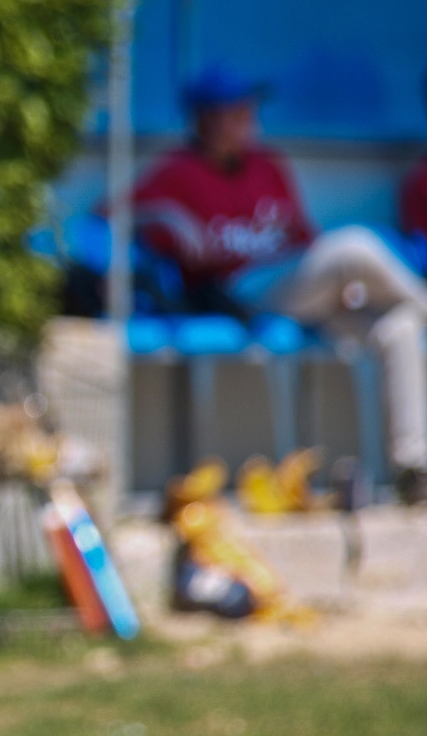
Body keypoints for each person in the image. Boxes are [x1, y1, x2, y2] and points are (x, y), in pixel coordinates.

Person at [132, 62, 427, 504]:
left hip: (299, 287)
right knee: (354, 246)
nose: (248, 120)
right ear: (205, 120)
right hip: (243, 295)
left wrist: (336, 287)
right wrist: (168, 215)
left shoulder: (268, 165)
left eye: (248, 110)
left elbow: (302, 240)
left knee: (398, 327)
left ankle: (415, 468)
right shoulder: (176, 172)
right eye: (235, 112)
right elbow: (108, 219)